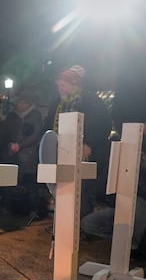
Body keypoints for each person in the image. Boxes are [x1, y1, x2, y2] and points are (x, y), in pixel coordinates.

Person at [46, 65, 112, 215]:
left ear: (74, 84)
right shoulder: (57, 104)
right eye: (58, 86)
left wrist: (89, 142)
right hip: (63, 151)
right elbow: (48, 125)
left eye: (63, 85)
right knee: (63, 188)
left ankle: (81, 226)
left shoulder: (91, 101)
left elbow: (103, 124)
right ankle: (63, 223)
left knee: (82, 191)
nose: (60, 89)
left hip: (86, 152)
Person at [4, 91, 45, 216]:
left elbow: (36, 134)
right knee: (10, 181)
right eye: (19, 101)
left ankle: (33, 209)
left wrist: (20, 145)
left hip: (29, 154)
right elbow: (6, 132)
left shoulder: (35, 116)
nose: (20, 104)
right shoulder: (12, 116)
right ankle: (10, 207)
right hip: (12, 153)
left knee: (30, 181)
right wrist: (10, 145)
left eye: (23, 102)